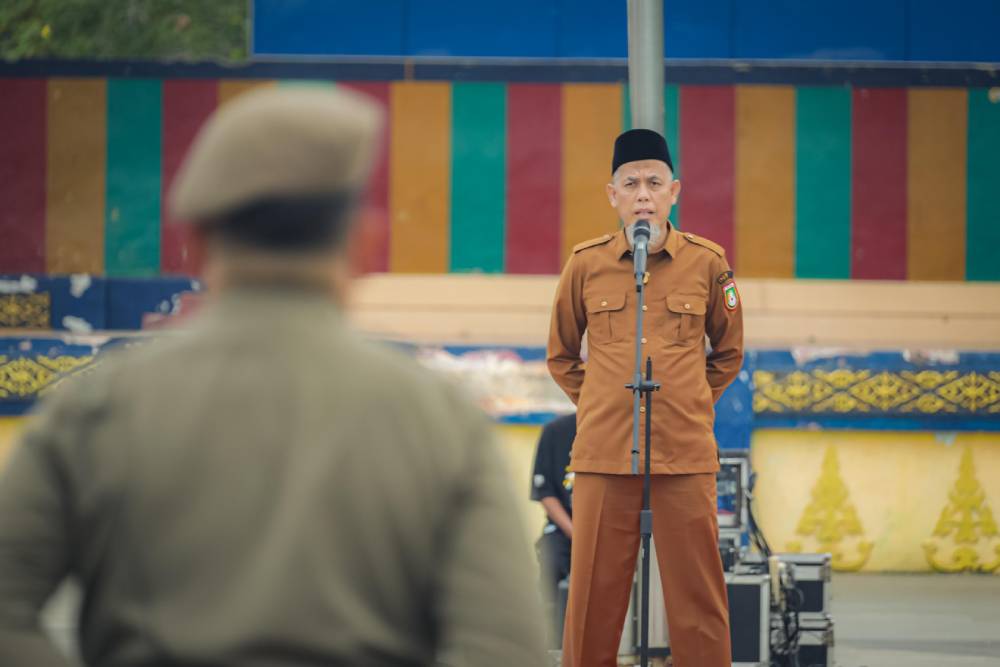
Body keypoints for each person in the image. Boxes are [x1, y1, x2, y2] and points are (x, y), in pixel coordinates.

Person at [0, 86, 548, 667]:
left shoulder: (96, 407)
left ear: (195, 242)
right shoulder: (440, 422)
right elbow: (506, 649)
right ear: (363, 244)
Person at [547, 128, 744, 667]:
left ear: (673, 192)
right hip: (605, 455)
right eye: (630, 184)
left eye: (654, 183)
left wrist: (689, 401)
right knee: (592, 601)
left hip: (684, 454)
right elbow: (561, 354)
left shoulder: (708, 263)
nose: (643, 195)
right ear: (612, 195)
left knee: (698, 600)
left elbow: (729, 352)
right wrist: (602, 403)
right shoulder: (585, 264)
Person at [529, 412, 575, 646]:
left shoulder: (615, 429)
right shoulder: (555, 430)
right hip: (562, 528)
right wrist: (575, 532)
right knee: (551, 561)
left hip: (607, 529)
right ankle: (552, 643)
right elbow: (544, 492)